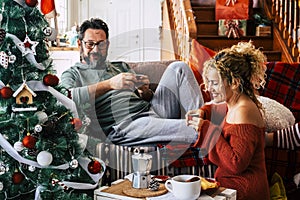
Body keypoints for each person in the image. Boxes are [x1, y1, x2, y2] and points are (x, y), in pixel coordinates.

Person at [60, 18, 204, 146]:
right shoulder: (73, 74)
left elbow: (146, 97)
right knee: (195, 129)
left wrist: (143, 91)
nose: (96, 50)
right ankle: (210, 132)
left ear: (108, 45)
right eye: (90, 44)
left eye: (101, 44)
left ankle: (203, 116)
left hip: (152, 111)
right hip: (124, 125)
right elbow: (66, 97)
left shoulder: (120, 67)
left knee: (178, 67)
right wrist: (110, 84)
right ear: (80, 43)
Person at [186, 41, 270, 200]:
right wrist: (201, 112)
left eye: (215, 83)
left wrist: (207, 128)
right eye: (208, 82)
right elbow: (214, 109)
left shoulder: (244, 111)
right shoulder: (233, 103)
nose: (208, 88)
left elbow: (236, 163)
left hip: (244, 190)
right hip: (231, 187)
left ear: (235, 83)